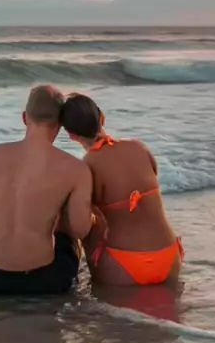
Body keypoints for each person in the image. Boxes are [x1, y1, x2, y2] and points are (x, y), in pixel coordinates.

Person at [0, 85, 93, 295]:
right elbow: (80, 230)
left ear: (24, 118)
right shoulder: (75, 168)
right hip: (44, 283)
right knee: (64, 223)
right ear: (60, 123)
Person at [60, 93, 184, 286]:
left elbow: (81, 226)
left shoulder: (87, 165)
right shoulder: (139, 148)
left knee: (84, 220)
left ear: (71, 135)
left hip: (125, 266)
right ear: (102, 117)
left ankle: (91, 282)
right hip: (170, 258)